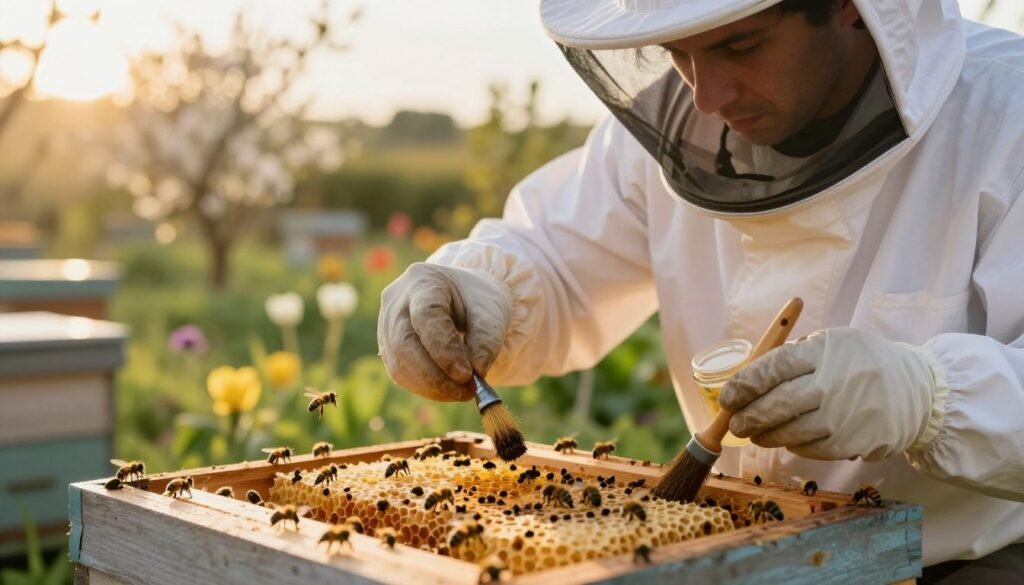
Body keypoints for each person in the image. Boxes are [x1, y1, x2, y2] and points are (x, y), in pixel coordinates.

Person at [377, 0, 1024, 581]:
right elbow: (554, 256)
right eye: (676, 51)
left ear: (854, 7)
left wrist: (928, 399)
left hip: (958, 559)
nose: (707, 94)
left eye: (740, 46)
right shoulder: (674, 128)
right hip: (748, 544)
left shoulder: (1006, 115)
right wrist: (482, 289)